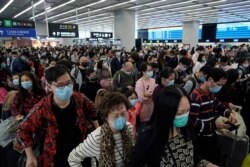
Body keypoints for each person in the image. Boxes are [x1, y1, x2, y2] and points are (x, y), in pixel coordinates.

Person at [14, 65, 99, 167]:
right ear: (50, 87)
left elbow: (93, 111)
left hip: (80, 154)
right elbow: (22, 129)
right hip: (54, 157)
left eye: (68, 83)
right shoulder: (41, 108)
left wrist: (97, 130)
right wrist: (30, 155)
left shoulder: (79, 99)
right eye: (60, 85)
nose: (66, 88)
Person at [128, 85, 218, 167]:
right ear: (165, 112)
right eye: (180, 113)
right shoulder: (148, 138)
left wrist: (207, 165)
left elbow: (196, 159)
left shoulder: (187, 126)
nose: (185, 116)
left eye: (187, 111)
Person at [68, 92, 134, 167]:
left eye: (123, 114)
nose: (120, 118)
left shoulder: (129, 128)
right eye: (115, 116)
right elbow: (73, 158)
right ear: (106, 117)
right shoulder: (97, 137)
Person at [190, 68, 237, 165]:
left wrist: (228, 113)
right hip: (200, 140)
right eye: (219, 84)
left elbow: (219, 105)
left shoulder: (211, 94)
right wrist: (214, 125)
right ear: (210, 80)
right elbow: (192, 123)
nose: (220, 87)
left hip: (210, 136)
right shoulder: (196, 97)